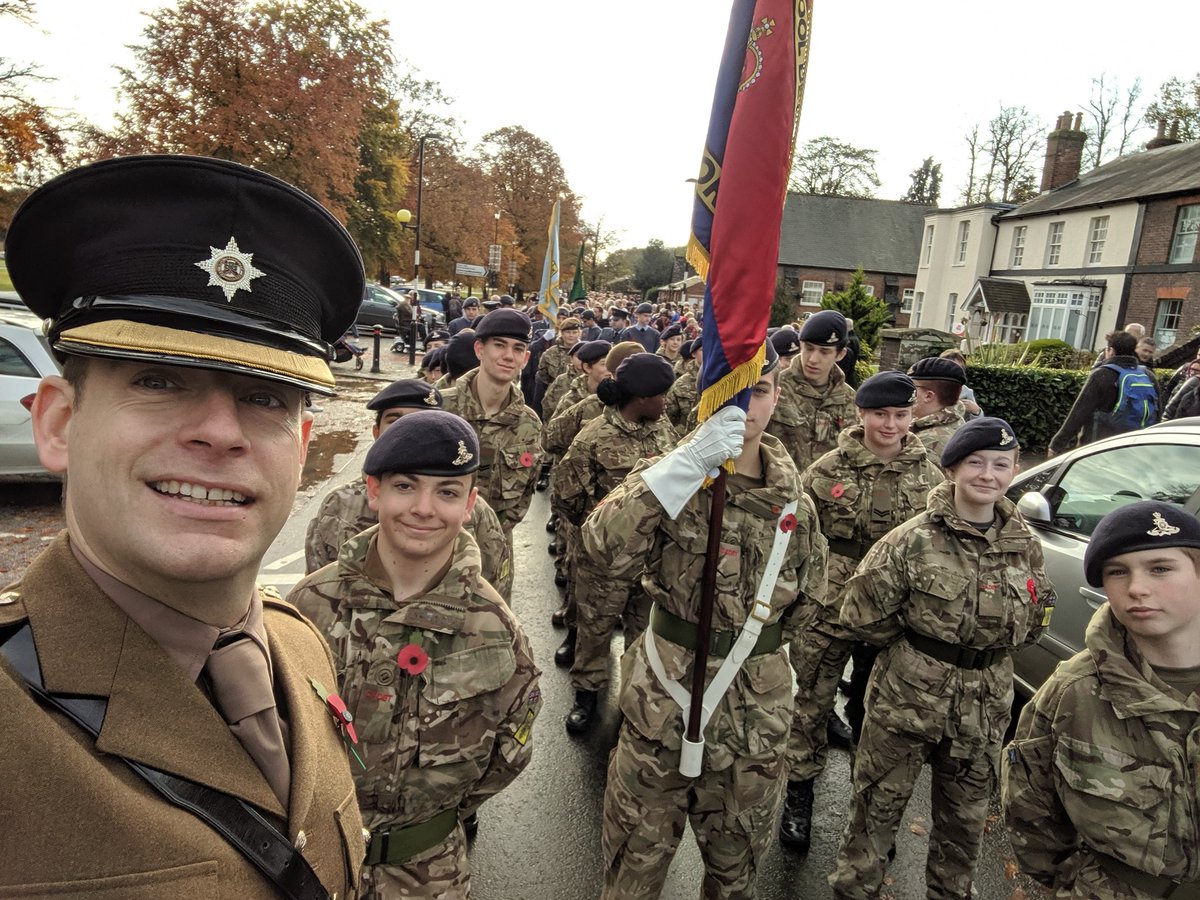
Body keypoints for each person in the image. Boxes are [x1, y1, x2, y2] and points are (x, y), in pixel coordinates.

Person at [0, 155, 366, 894]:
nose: (219, 432)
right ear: (60, 425)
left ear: (300, 450)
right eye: (159, 380)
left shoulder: (300, 648)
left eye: (265, 397)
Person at [583, 341, 828, 899]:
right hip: (659, 713)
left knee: (734, 878)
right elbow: (600, 549)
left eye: (759, 391)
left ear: (776, 397)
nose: (746, 408)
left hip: (753, 728)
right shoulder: (668, 476)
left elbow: (810, 601)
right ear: (705, 400)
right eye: (732, 395)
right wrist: (684, 468)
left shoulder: (796, 504)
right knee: (631, 876)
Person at [290, 410, 541, 899]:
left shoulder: (495, 628)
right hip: (310, 861)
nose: (424, 508)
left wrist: (425, 815)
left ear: (470, 504)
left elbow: (510, 750)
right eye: (406, 486)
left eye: (447, 492)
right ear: (374, 491)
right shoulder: (309, 605)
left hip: (430, 875)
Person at [829, 418, 1054, 898]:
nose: (988, 475)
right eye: (975, 463)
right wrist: (922, 651)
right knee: (874, 820)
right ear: (952, 468)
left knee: (963, 831)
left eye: (1001, 464)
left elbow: (1035, 622)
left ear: (1015, 469)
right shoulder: (911, 538)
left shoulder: (1025, 546)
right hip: (906, 701)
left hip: (984, 707)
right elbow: (861, 614)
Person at [1003, 499, 1200, 898]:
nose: (1137, 588)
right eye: (1117, 572)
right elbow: (1030, 809)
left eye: (1160, 568)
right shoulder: (1074, 691)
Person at [781, 371, 944, 852]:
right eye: (880, 415)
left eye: (901, 415)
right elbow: (798, 539)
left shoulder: (929, 476)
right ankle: (799, 793)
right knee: (810, 702)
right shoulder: (827, 469)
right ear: (861, 415)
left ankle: (867, 814)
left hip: (893, 615)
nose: (890, 425)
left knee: (877, 714)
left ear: (913, 415)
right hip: (830, 605)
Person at [554, 354, 679, 732]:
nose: (667, 403)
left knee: (642, 636)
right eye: (662, 395)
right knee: (594, 631)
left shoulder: (664, 432)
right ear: (641, 398)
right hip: (603, 564)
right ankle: (587, 693)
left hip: (650, 563)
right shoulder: (593, 437)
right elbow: (567, 497)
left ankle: (632, 698)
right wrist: (599, 538)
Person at [303, 378, 512, 599]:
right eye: (396, 421)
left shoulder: (477, 513)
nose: (411, 435)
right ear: (376, 432)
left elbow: (494, 587)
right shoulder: (340, 504)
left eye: (422, 422)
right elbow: (319, 587)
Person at [441, 309, 544, 568]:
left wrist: (490, 535)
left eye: (518, 348)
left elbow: (524, 495)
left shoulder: (528, 424)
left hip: (494, 555)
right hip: (437, 550)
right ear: (479, 349)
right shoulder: (439, 409)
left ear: (526, 358)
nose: (509, 356)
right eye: (499, 345)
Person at [766, 309, 859, 474]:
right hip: (780, 490)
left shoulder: (849, 399)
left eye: (824, 352)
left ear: (841, 354)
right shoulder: (773, 387)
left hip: (829, 493)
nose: (813, 359)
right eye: (809, 348)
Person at [1049, 330, 1156, 456]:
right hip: (1133, 447)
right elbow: (1157, 411)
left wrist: (1056, 445)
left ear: (1111, 350)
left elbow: (1079, 413)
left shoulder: (1101, 375)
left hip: (1098, 448)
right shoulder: (1148, 375)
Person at [908, 355, 968, 464]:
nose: (906, 392)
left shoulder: (928, 443)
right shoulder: (952, 420)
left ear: (928, 396)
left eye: (911, 388)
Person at [664, 338, 702, 430]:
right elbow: (668, 418)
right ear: (693, 354)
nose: (709, 353)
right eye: (703, 350)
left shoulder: (724, 381)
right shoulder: (681, 384)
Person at [938, 349, 983, 418]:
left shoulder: (966, 392)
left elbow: (976, 423)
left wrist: (976, 411)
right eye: (951, 368)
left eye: (960, 368)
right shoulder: (931, 387)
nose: (956, 371)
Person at [837, 317, 862, 387]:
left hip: (846, 376)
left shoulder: (848, 341)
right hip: (851, 374)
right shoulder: (855, 338)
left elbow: (844, 362)